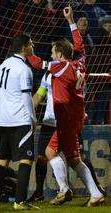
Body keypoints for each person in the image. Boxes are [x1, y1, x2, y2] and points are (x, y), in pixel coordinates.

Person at [27, 6, 104, 207]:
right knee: (72, 158)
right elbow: (79, 45)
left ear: (60, 54)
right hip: (77, 116)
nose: (52, 56)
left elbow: (37, 63)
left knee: (50, 153)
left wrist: (26, 52)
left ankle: (64, 189)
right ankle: (95, 193)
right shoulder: (79, 63)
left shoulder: (60, 66)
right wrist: (70, 20)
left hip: (66, 117)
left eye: (53, 53)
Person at [27, 71, 106, 203]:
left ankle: (92, 188)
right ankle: (40, 193)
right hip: (50, 121)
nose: (52, 58)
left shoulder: (73, 73)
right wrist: (28, 111)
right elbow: (39, 95)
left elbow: (80, 95)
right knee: (42, 157)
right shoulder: (49, 74)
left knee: (77, 157)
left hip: (65, 120)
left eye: (53, 53)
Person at [0, 34, 38, 210]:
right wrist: (33, 118)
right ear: (23, 47)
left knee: (3, 159)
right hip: (20, 118)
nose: (33, 45)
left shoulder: (3, 65)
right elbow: (26, 97)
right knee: (26, 159)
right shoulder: (24, 69)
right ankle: (20, 201)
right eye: (30, 43)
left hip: (4, 119)